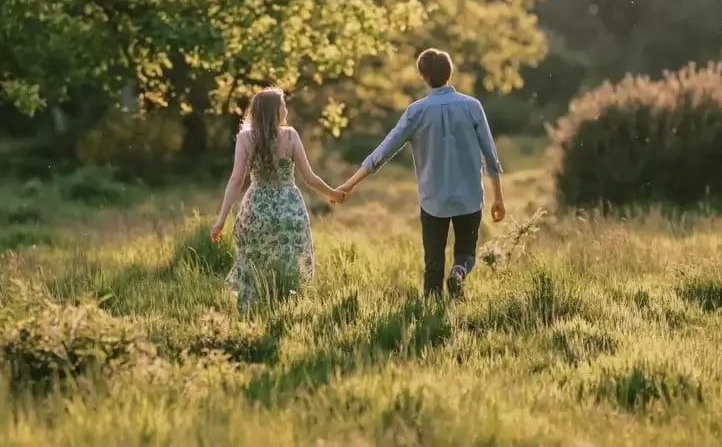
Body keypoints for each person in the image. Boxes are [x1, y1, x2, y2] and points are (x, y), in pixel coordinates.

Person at [335, 48, 506, 299]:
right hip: (469, 197)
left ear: (422, 76)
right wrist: (498, 197)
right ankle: (458, 273)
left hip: (433, 200)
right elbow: (490, 155)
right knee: (466, 254)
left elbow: (383, 152)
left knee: (433, 263)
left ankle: (432, 316)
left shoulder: (416, 112)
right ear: (450, 72)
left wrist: (349, 185)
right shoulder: (472, 106)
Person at [211, 87, 345, 311]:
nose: (286, 108)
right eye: (283, 104)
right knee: (289, 263)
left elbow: (236, 181)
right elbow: (309, 178)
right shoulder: (291, 135)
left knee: (254, 262)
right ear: (275, 111)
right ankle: (285, 307)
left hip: (257, 211)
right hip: (288, 209)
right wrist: (333, 194)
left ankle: (253, 311)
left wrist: (221, 220)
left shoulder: (245, 138)